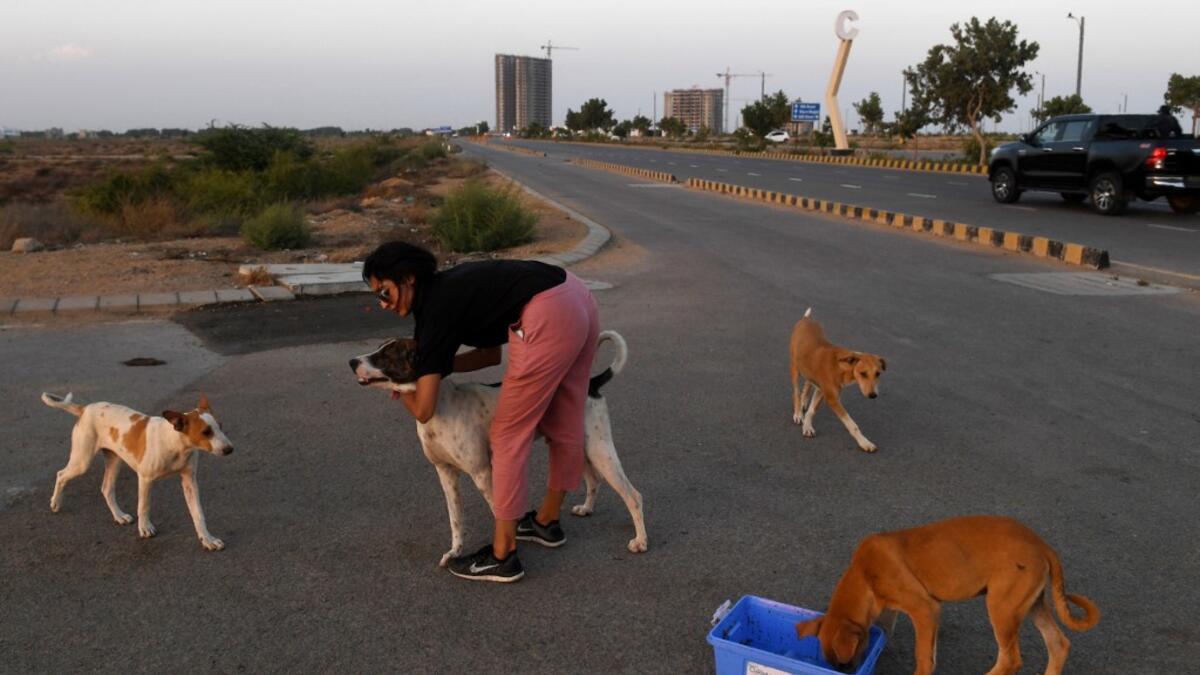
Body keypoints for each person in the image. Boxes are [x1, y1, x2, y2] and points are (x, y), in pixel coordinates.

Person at [362, 241, 600, 583]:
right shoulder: (451, 287)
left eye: (384, 292)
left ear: (408, 279)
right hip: (575, 295)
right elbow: (489, 356)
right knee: (565, 414)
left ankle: (503, 554)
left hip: (546, 314)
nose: (383, 304)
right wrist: (437, 366)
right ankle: (547, 521)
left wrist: (397, 386)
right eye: (377, 297)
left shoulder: (433, 314)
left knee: (507, 435)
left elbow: (425, 410)